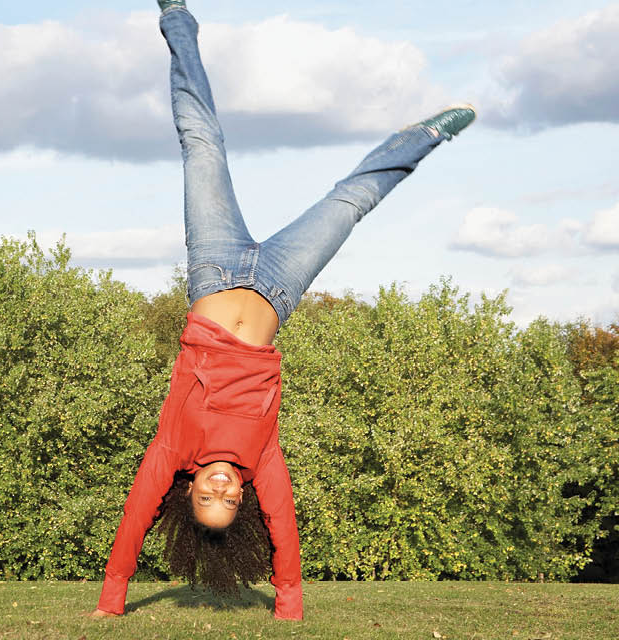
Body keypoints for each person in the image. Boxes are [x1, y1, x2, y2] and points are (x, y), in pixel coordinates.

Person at [89, 0, 475, 621]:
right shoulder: (263, 457)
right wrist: (288, 604)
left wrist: (113, 600)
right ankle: (427, 137)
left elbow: (135, 516)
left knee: (201, 144)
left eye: (207, 497)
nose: (221, 489)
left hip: (213, 270)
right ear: (241, 498)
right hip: (278, 288)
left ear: (187, 493)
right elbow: (285, 523)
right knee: (350, 203)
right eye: (229, 500)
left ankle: (175, 17)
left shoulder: (173, 448)